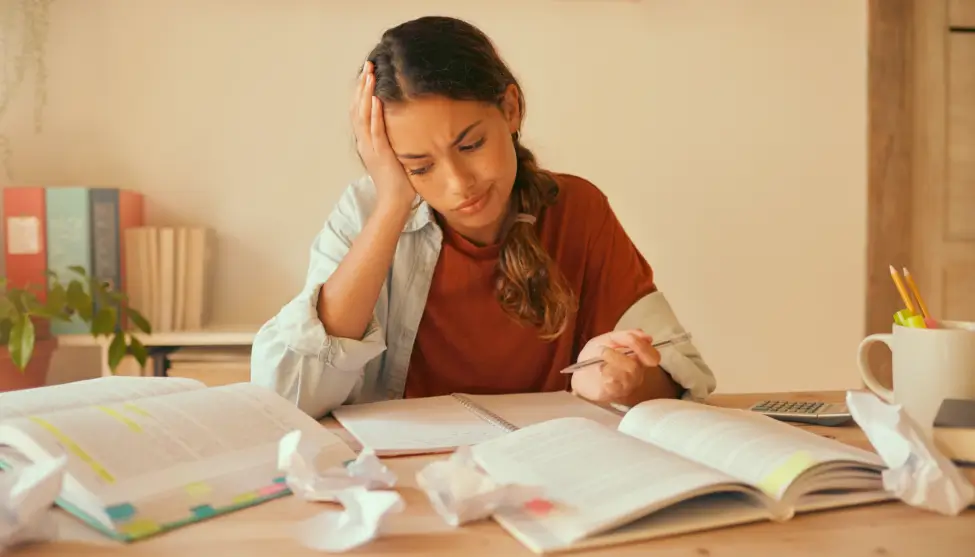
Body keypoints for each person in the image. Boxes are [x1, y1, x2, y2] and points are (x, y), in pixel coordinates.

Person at [250, 15, 716, 419]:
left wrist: (622, 382)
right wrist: (393, 202)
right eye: (420, 166)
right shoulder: (367, 214)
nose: (458, 185)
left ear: (510, 109)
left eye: (470, 145)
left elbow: (683, 379)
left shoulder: (578, 210)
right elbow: (285, 395)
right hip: (409, 486)